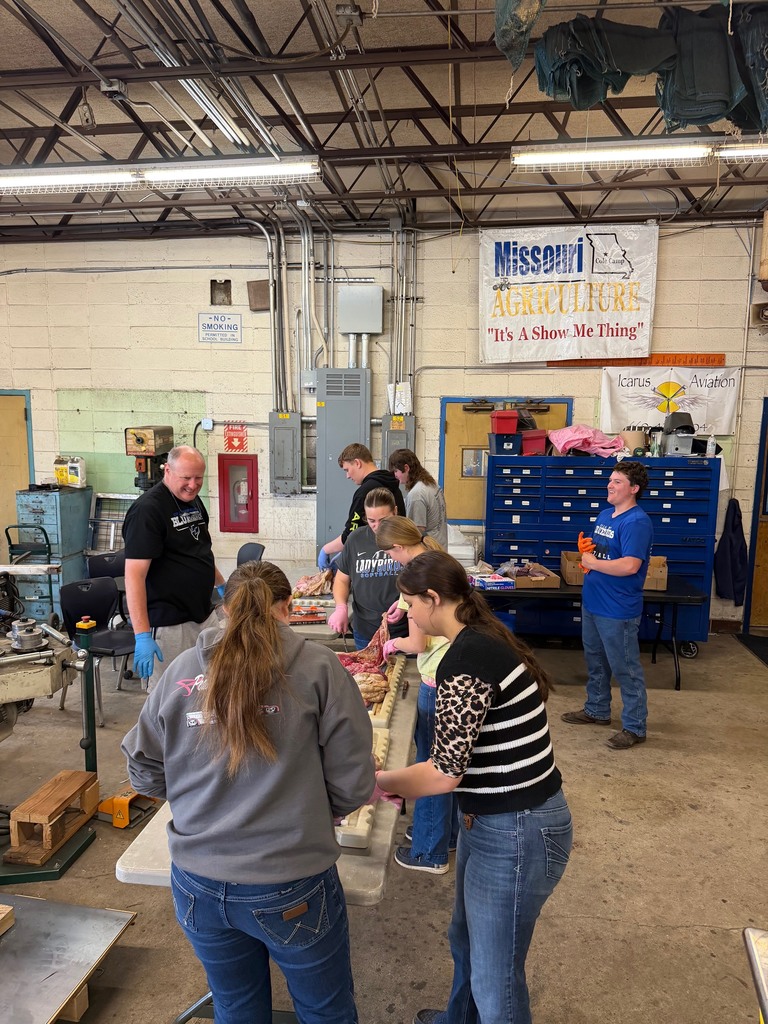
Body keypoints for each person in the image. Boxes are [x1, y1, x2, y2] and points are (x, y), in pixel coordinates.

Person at [121, 560, 375, 1024]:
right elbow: (354, 782)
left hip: (197, 880)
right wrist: (310, 810)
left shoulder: (181, 673)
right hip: (291, 881)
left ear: (224, 608)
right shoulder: (319, 669)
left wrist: (196, 798)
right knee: (325, 1010)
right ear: (289, 608)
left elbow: (142, 766)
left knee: (236, 1006)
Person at [376, 550, 572, 1024]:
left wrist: (371, 782)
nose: (406, 615)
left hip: (517, 830)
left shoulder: (465, 659)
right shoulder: (476, 637)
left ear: (433, 598)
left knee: (496, 976)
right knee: (465, 938)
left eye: (409, 605)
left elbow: (445, 772)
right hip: (491, 819)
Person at [376, 516, 458, 874]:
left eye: (390, 554)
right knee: (444, 762)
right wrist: (401, 607)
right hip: (445, 671)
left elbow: (416, 642)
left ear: (399, 548)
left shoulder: (418, 578)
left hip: (434, 680)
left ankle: (429, 851)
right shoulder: (434, 562)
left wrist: (391, 643)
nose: (392, 560)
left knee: (431, 766)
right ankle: (444, 834)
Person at [561, 460, 653, 749]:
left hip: (617, 608)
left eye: (617, 482)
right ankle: (597, 709)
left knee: (625, 668)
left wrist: (592, 562)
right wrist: (591, 552)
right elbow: (605, 554)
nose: (609, 485)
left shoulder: (636, 522)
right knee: (596, 662)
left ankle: (635, 726)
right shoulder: (605, 515)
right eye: (610, 480)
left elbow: (629, 565)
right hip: (594, 602)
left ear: (634, 489)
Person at [123, 445, 225, 690]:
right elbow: (134, 576)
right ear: (167, 471)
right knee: (170, 698)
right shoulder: (148, 511)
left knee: (208, 692)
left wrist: (223, 586)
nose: (193, 484)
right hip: (170, 625)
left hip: (202, 616)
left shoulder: (193, 501)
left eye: (198, 478)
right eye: (186, 478)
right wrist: (142, 635)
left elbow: (199, 551)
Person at [327, 488, 408, 650]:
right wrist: (341, 607)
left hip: (404, 630)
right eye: (372, 521)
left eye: (383, 520)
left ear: (395, 511)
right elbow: (342, 580)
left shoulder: (408, 538)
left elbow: (424, 580)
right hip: (365, 629)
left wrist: (404, 603)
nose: (377, 527)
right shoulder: (356, 539)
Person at [318, 443, 405, 568]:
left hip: (368, 562)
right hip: (395, 559)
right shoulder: (394, 486)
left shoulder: (364, 492)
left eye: (347, 470)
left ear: (357, 463)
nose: (347, 476)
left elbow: (350, 534)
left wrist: (326, 550)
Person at [388, 448, 448, 548]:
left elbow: (415, 532)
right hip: (440, 549)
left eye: (396, 471)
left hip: (428, 554)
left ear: (406, 468)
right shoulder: (431, 484)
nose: (395, 475)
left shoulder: (416, 494)